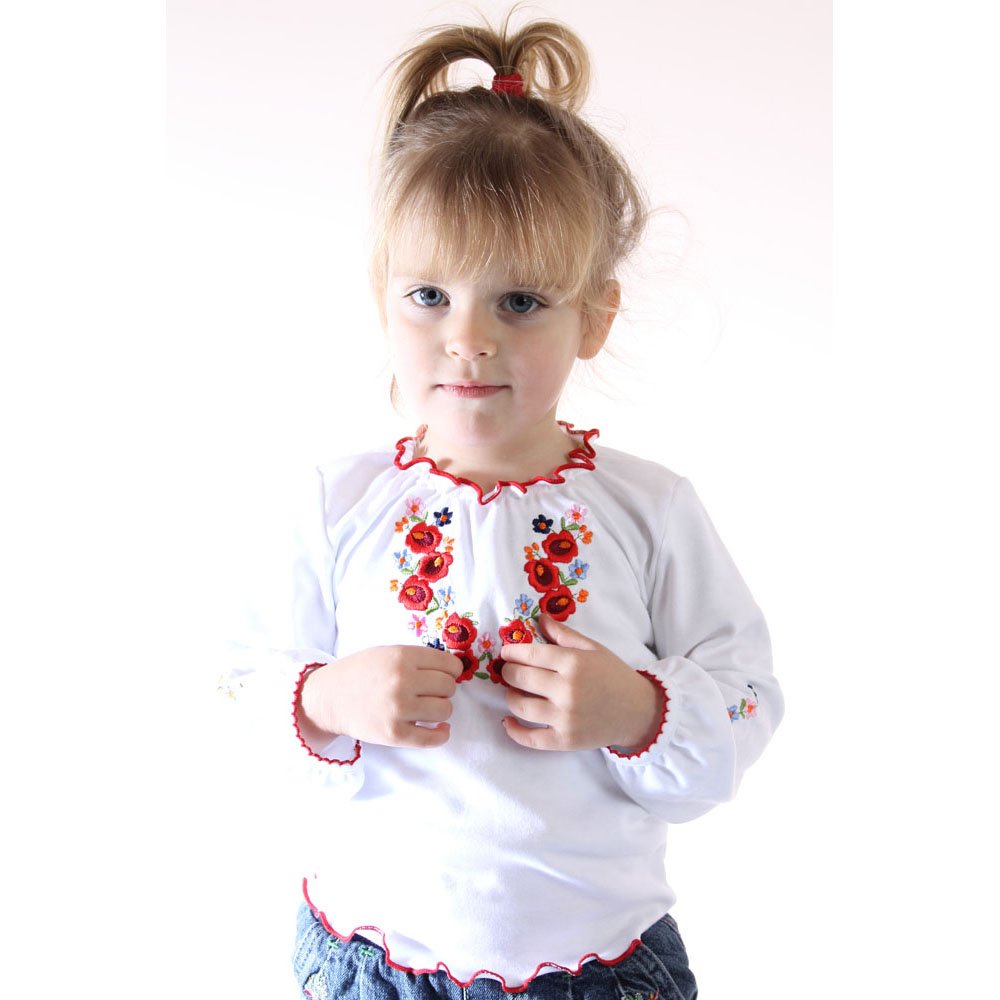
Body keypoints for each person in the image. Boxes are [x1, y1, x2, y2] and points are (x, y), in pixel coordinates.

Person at [227, 13, 783, 999]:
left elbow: (748, 696)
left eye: (519, 302)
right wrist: (321, 701)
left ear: (593, 316)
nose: (469, 338)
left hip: (597, 966)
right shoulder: (338, 502)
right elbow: (232, 685)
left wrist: (640, 709)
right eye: (429, 296)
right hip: (373, 956)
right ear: (382, 294)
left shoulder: (649, 510)